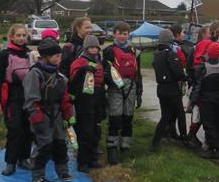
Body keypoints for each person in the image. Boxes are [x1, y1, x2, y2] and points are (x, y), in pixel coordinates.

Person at [23, 37, 75, 182]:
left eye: (60, 56)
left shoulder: (59, 76)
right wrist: (36, 117)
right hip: (41, 114)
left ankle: (63, 170)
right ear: (45, 57)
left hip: (57, 114)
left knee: (60, 143)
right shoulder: (35, 74)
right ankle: (38, 175)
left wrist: (68, 114)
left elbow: (64, 97)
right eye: (56, 56)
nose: (59, 59)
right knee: (44, 146)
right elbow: (31, 99)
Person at [0, 23, 34, 176]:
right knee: (14, 129)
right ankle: (10, 162)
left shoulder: (30, 54)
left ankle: (23, 158)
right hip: (12, 96)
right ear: (11, 37)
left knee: (28, 129)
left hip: (28, 96)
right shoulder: (4, 54)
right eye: (18, 35)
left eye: (24, 35)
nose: (21, 38)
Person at [103, 22, 142, 164]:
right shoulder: (109, 51)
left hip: (131, 86)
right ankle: (111, 148)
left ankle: (125, 145)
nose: (122, 36)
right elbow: (105, 72)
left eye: (125, 33)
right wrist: (112, 83)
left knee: (127, 117)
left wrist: (139, 92)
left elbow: (138, 73)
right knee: (115, 118)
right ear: (114, 34)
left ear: (128, 34)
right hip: (115, 89)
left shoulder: (134, 52)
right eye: (119, 33)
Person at [68, 34, 106, 171]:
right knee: (86, 132)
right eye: (91, 47)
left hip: (97, 101)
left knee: (95, 131)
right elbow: (72, 83)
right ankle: (82, 161)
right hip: (84, 102)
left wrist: (103, 103)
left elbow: (101, 85)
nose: (94, 50)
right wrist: (82, 71)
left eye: (96, 47)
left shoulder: (99, 62)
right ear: (85, 48)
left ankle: (93, 159)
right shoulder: (79, 62)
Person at [190, 42, 219, 159]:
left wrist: (193, 100)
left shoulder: (202, 68)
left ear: (208, 53)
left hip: (207, 99)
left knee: (209, 124)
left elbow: (198, 86)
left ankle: (215, 148)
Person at [151, 29, 186, 151]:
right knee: (180, 114)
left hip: (161, 88)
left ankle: (155, 142)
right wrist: (185, 77)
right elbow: (177, 73)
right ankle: (184, 139)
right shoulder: (170, 54)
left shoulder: (156, 55)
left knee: (165, 116)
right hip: (172, 88)